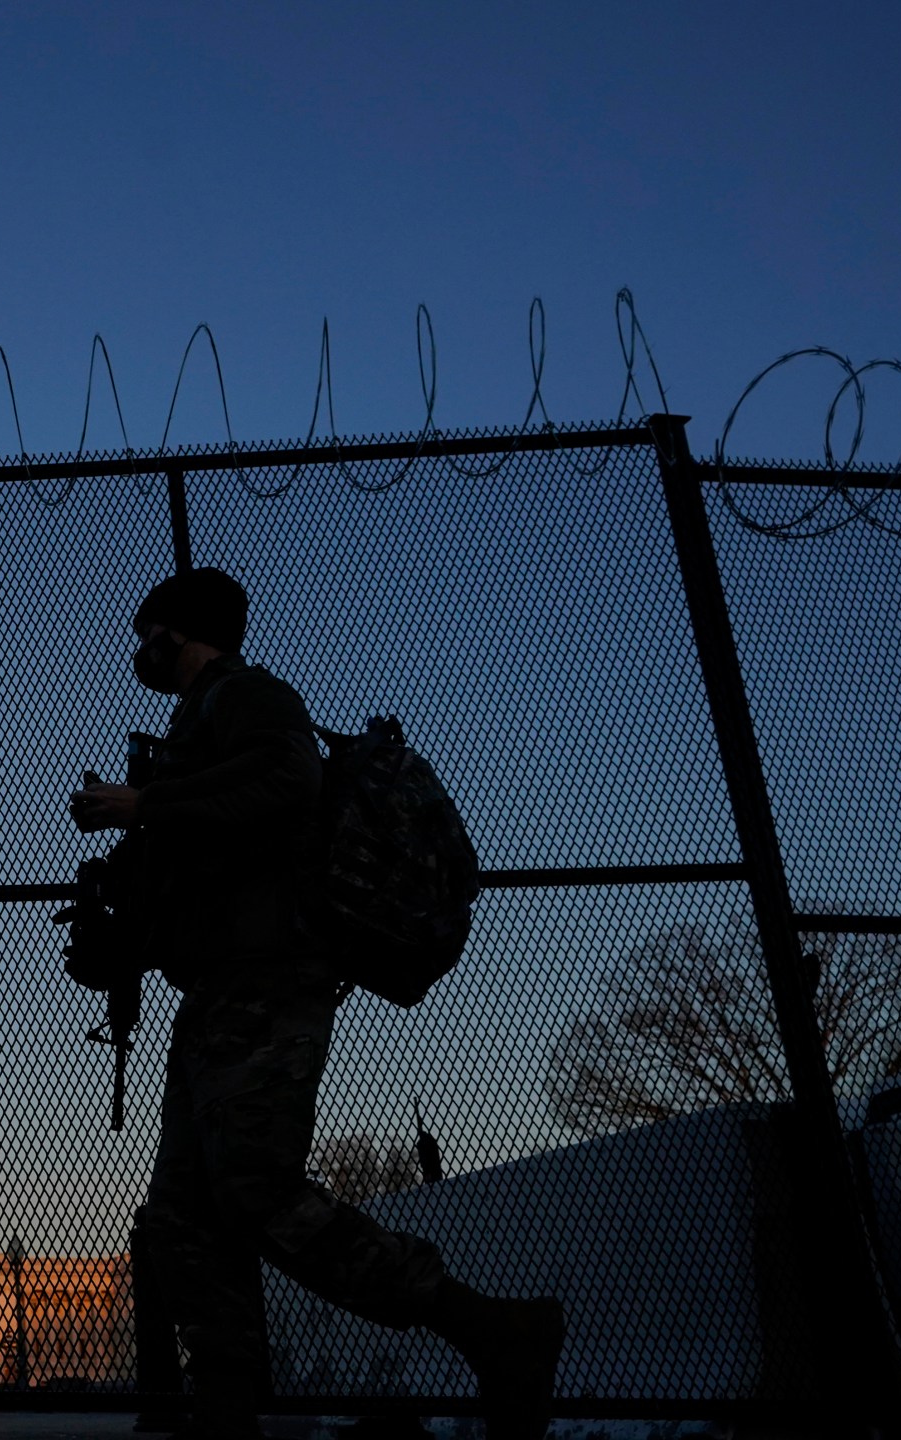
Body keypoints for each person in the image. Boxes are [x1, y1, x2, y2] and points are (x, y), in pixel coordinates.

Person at [68, 568, 563, 1440]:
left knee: (255, 1188)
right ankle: (226, 1412)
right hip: (218, 990)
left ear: (176, 631)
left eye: (143, 633)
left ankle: (491, 1329)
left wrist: (148, 801)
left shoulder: (249, 696)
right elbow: (205, 874)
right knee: (183, 1213)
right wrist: (121, 935)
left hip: (268, 981)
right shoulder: (195, 727)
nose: (136, 652)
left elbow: (288, 782)